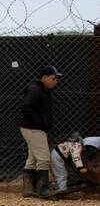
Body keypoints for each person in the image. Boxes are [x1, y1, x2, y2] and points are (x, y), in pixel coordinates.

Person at [20, 66, 60, 198]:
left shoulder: (41, 90)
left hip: (33, 128)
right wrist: (40, 122)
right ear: (44, 78)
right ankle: (43, 189)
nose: (56, 81)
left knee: (32, 158)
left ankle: (28, 188)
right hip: (34, 129)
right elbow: (26, 106)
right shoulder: (36, 89)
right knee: (43, 158)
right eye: (53, 78)